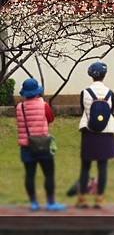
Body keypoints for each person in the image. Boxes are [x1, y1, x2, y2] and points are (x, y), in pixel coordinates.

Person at [15, 78, 66, 211]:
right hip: (43, 144)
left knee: (30, 175)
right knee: (49, 174)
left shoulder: (19, 107)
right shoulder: (44, 105)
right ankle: (51, 203)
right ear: (38, 91)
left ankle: (34, 203)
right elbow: (50, 118)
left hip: (26, 146)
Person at [76, 61, 114, 209]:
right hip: (106, 132)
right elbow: (111, 111)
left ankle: (82, 198)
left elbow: (84, 110)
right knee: (103, 166)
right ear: (104, 75)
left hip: (89, 131)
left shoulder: (85, 92)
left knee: (85, 166)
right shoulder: (110, 93)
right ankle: (99, 198)